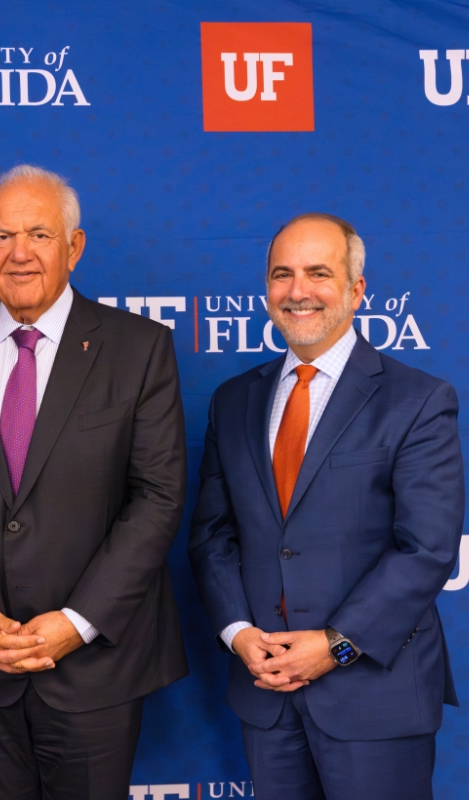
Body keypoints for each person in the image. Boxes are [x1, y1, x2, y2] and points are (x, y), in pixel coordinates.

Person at [0, 165, 188, 800]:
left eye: (39, 234)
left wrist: (77, 621)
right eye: (2, 236)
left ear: (74, 246)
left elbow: (157, 497)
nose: (20, 253)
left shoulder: (139, 348)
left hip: (95, 667)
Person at [188, 213, 464, 800]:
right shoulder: (233, 401)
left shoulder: (418, 400)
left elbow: (427, 548)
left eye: (318, 273)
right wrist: (239, 633)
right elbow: (213, 535)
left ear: (356, 289)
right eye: (281, 274)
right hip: (266, 693)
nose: (298, 291)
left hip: (375, 695)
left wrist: (337, 644)